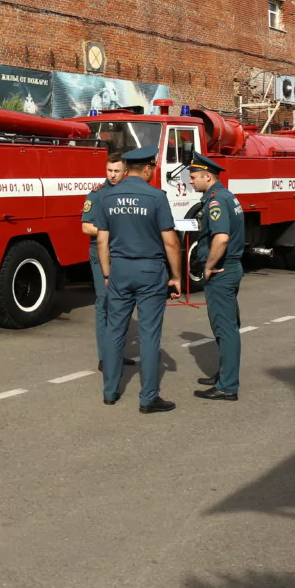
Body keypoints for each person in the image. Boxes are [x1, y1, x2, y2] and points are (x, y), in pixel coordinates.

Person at [93, 146, 183, 413]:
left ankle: (110, 392)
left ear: (127, 169)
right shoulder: (156, 197)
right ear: (146, 169)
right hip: (150, 271)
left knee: (114, 331)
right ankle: (148, 398)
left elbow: (101, 240)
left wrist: (107, 273)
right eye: (152, 169)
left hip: (120, 269)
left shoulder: (106, 197)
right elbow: (171, 242)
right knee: (149, 334)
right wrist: (176, 276)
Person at [187, 153, 245, 402]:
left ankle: (227, 386)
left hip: (222, 271)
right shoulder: (225, 195)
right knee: (224, 326)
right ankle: (224, 374)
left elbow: (221, 238)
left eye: (193, 177)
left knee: (225, 329)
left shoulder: (215, 201)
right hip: (230, 268)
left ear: (206, 176)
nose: (190, 181)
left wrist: (209, 266)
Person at [80, 154, 136, 371]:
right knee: (104, 302)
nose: (112, 175)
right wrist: (113, 232)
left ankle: (117, 352)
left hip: (123, 253)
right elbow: (86, 227)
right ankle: (105, 357)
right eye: (109, 171)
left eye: (116, 171)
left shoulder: (129, 193)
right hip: (100, 253)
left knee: (122, 303)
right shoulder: (96, 194)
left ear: (125, 172)